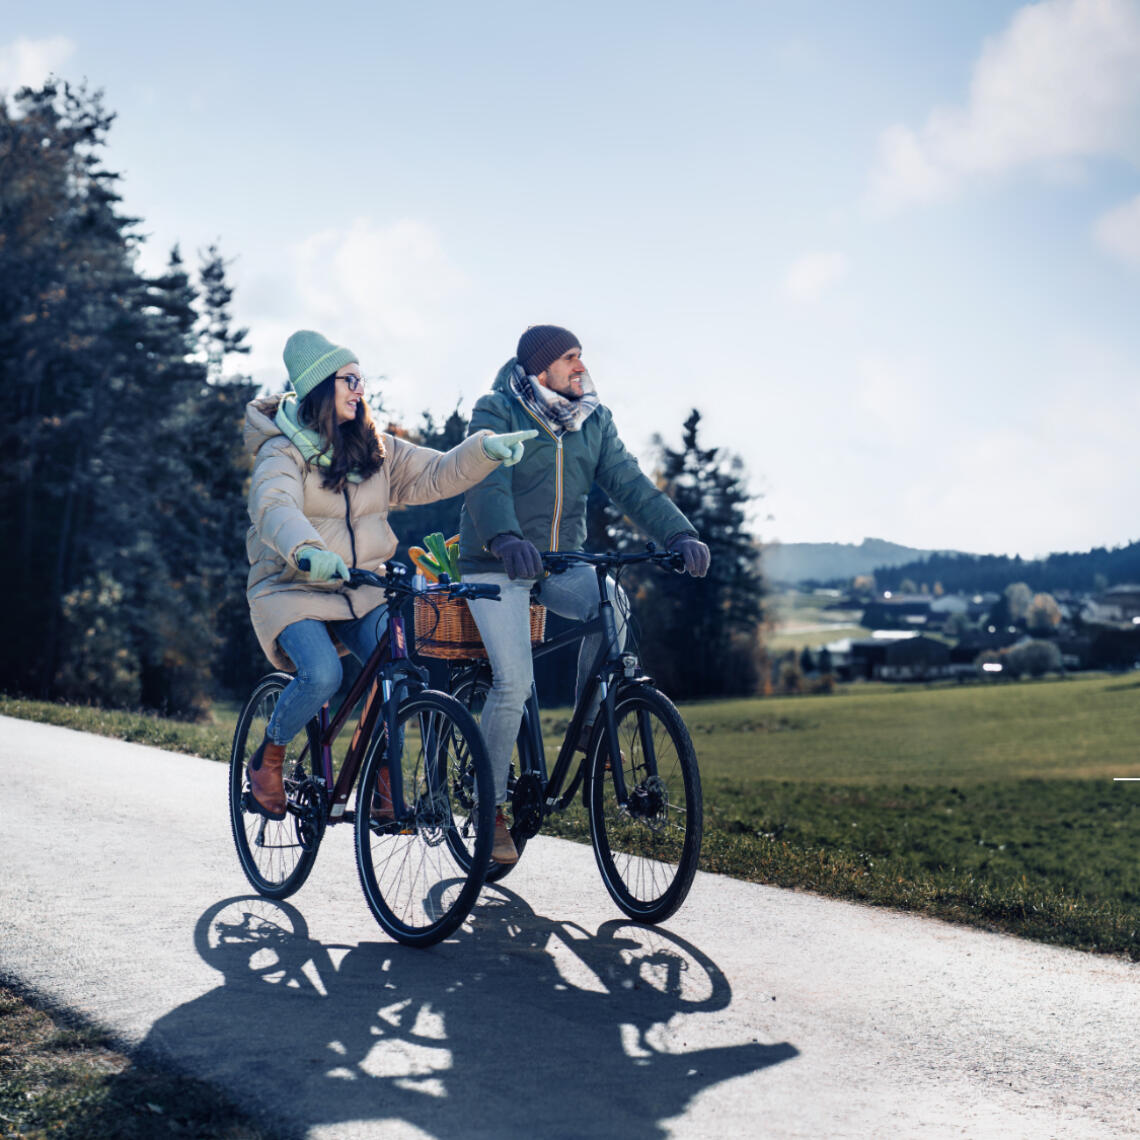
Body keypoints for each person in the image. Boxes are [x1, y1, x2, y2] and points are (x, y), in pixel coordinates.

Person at [243, 329, 535, 819]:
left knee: (400, 673)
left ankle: (382, 776)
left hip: (361, 589)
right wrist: (308, 550)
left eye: (362, 379)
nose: (360, 389)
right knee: (321, 675)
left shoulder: (373, 449)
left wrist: (485, 451)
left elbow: (436, 473)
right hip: (292, 587)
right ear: (320, 387)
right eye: (349, 379)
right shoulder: (280, 453)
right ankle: (269, 756)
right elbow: (274, 508)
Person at [458, 324, 710, 864]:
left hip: (558, 563)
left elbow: (630, 482)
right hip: (494, 563)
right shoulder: (497, 410)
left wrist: (678, 532)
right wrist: (503, 536)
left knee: (612, 602)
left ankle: (593, 725)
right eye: (569, 358)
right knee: (513, 682)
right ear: (540, 369)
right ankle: (491, 808)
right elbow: (484, 480)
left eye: (581, 356)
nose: (580, 366)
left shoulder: (592, 420)